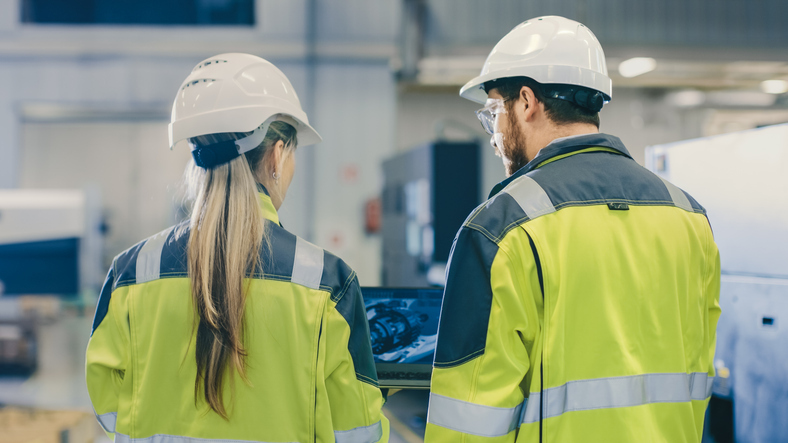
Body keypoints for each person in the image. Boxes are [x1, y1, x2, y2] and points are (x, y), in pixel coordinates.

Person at [425, 16, 720, 442]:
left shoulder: (502, 228)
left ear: (525, 101)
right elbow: (699, 366)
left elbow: (468, 418)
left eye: (494, 111)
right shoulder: (689, 217)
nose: (494, 136)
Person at [86, 53, 389, 443]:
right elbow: (357, 431)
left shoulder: (132, 272)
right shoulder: (326, 280)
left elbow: (107, 403)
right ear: (278, 155)